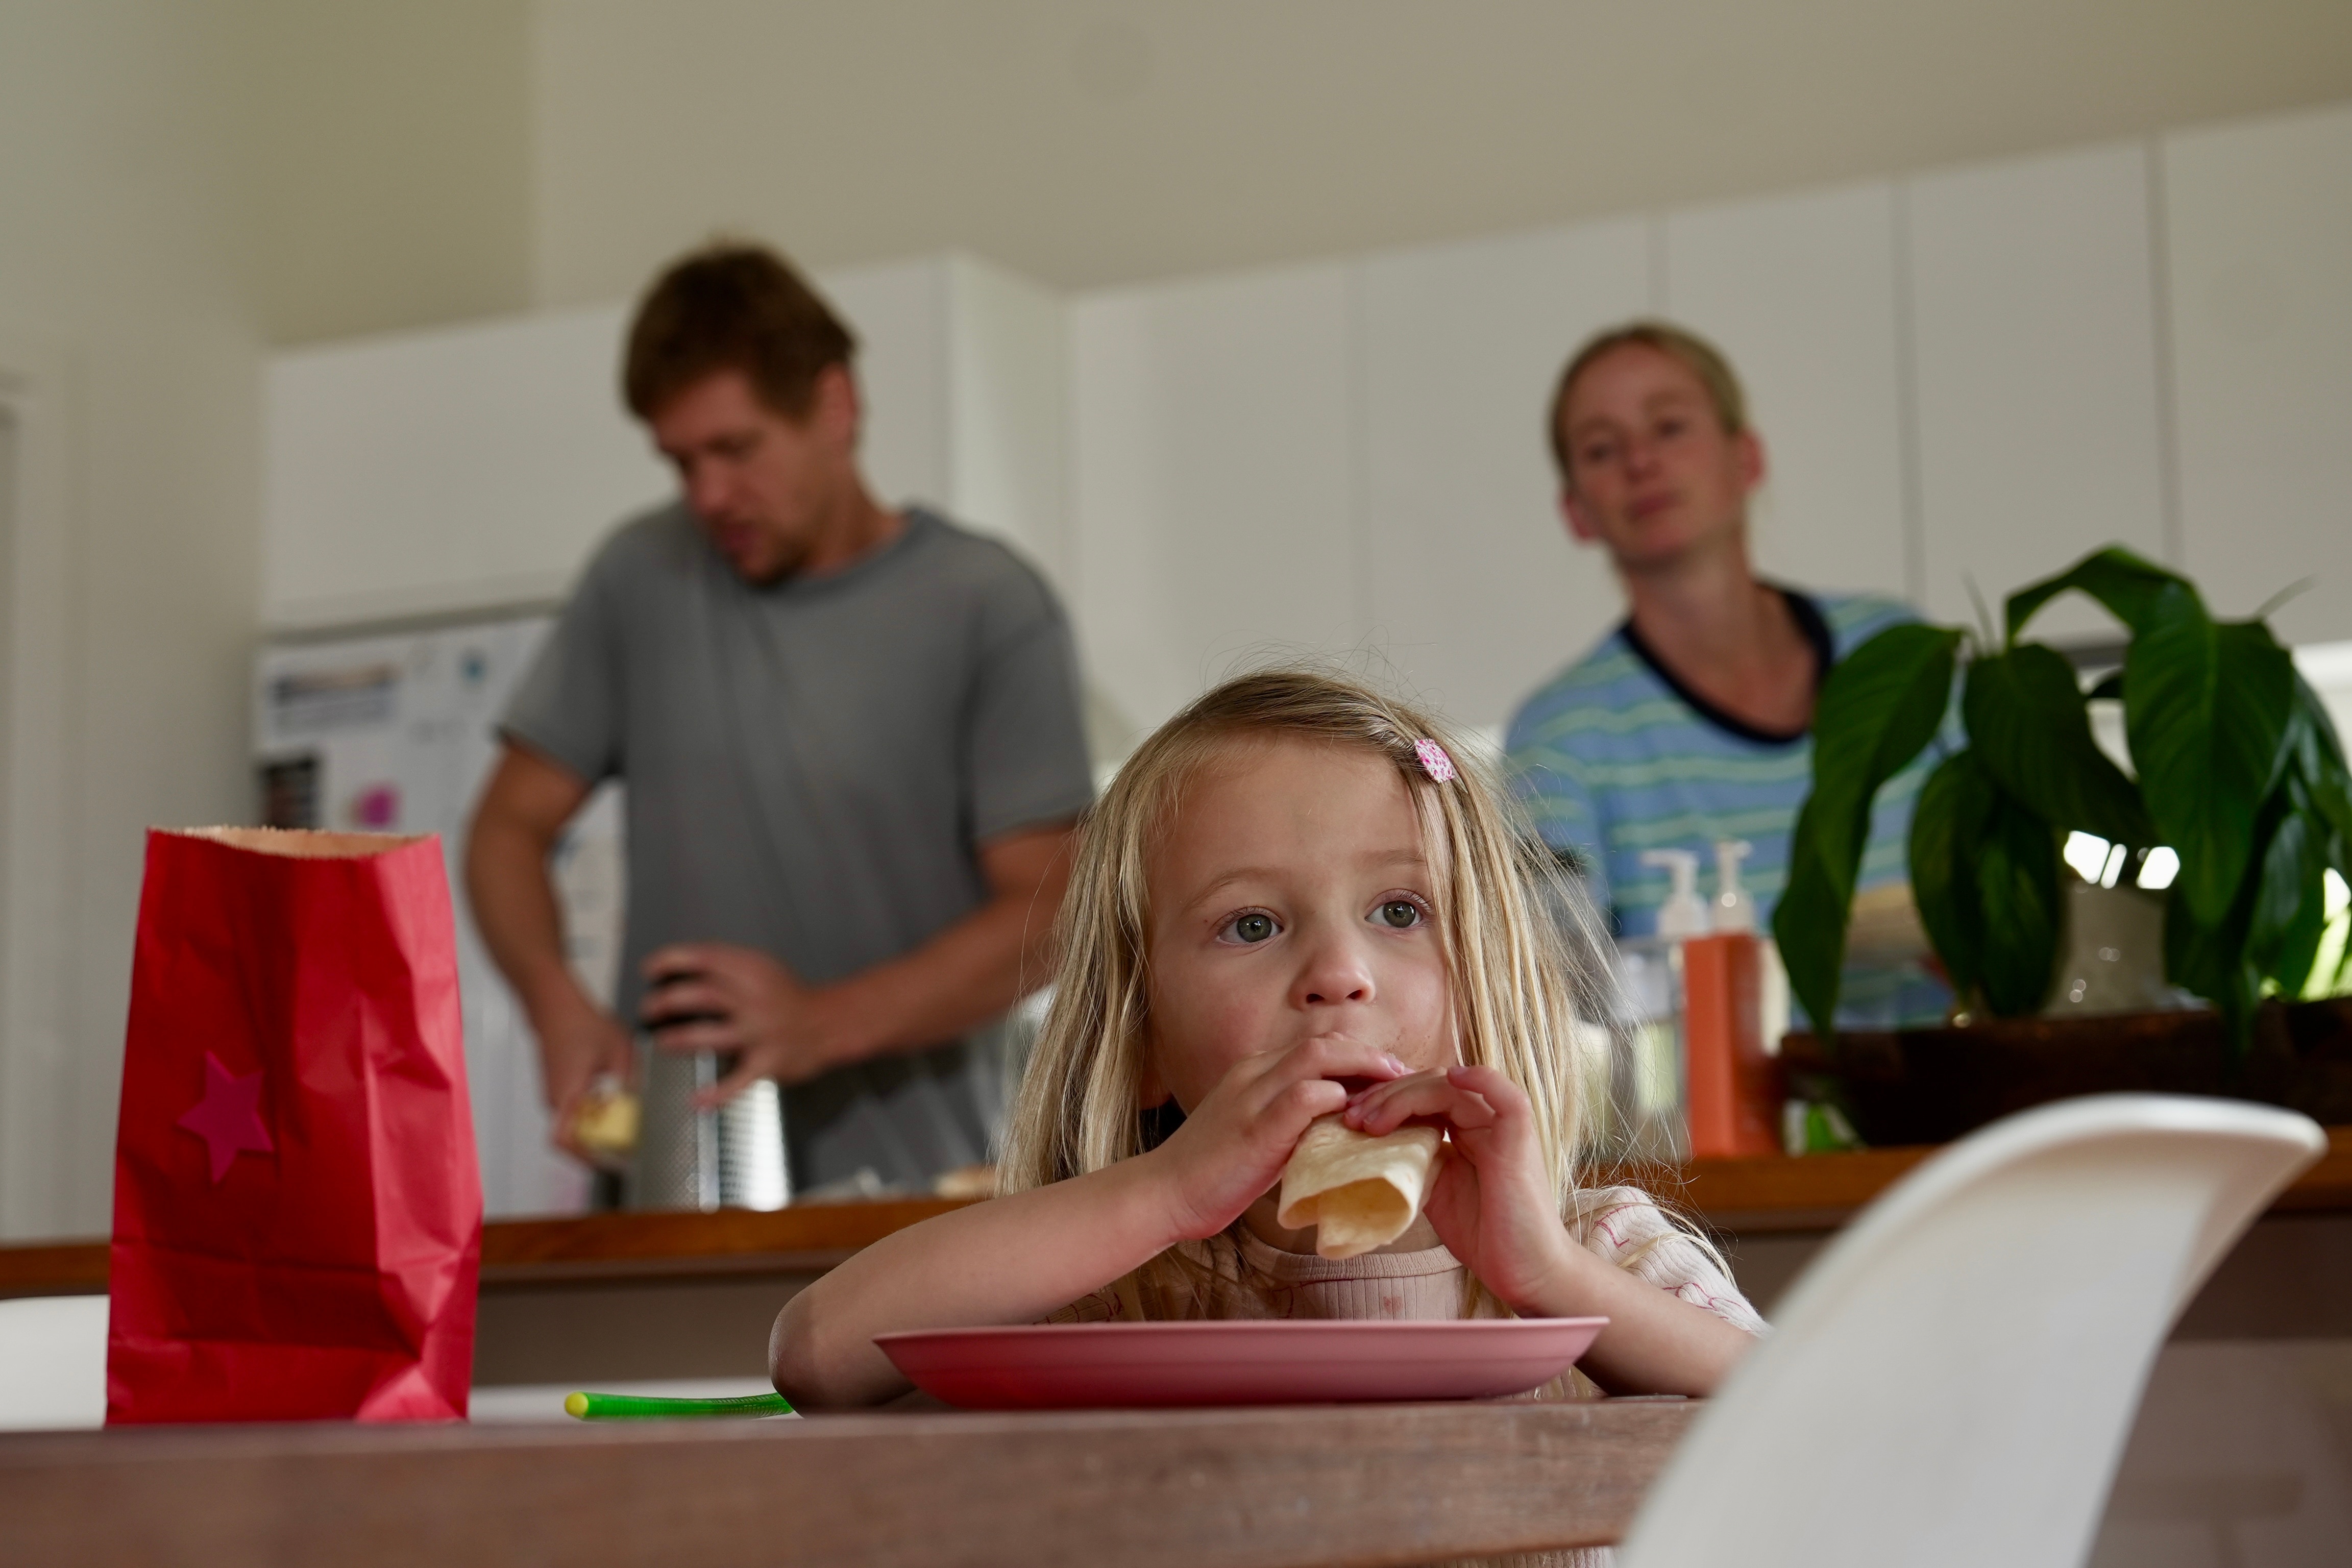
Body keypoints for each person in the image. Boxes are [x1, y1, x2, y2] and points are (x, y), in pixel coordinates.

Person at [771, 672, 1761, 1434]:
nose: (1338, 973)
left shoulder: (1601, 1254)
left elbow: (1809, 1417)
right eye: (1251, 925)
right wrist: (1164, 1193)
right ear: (1142, 1044)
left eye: (1400, 911)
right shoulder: (1106, 1294)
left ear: (1484, 994)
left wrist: (1545, 1275)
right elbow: (817, 1358)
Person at [465, 242, 1094, 1194]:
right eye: (681, 462)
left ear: (835, 406)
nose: (708, 496)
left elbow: (1056, 908)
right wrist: (556, 1004)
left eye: (736, 448)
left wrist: (822, 1021)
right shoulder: (639, 576)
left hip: (926, 1195)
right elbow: (506, 829)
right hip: (677, 1194)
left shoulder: (985, 605)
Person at [1505, 322, 1944, 1026]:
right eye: (1601, 448)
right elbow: (1561, 991)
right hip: (1724, 1128)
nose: (1640, 462)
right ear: (1575, 512)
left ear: (1747, 458)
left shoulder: (1896, 650)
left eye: (1670, 426)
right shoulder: (1562, 736)